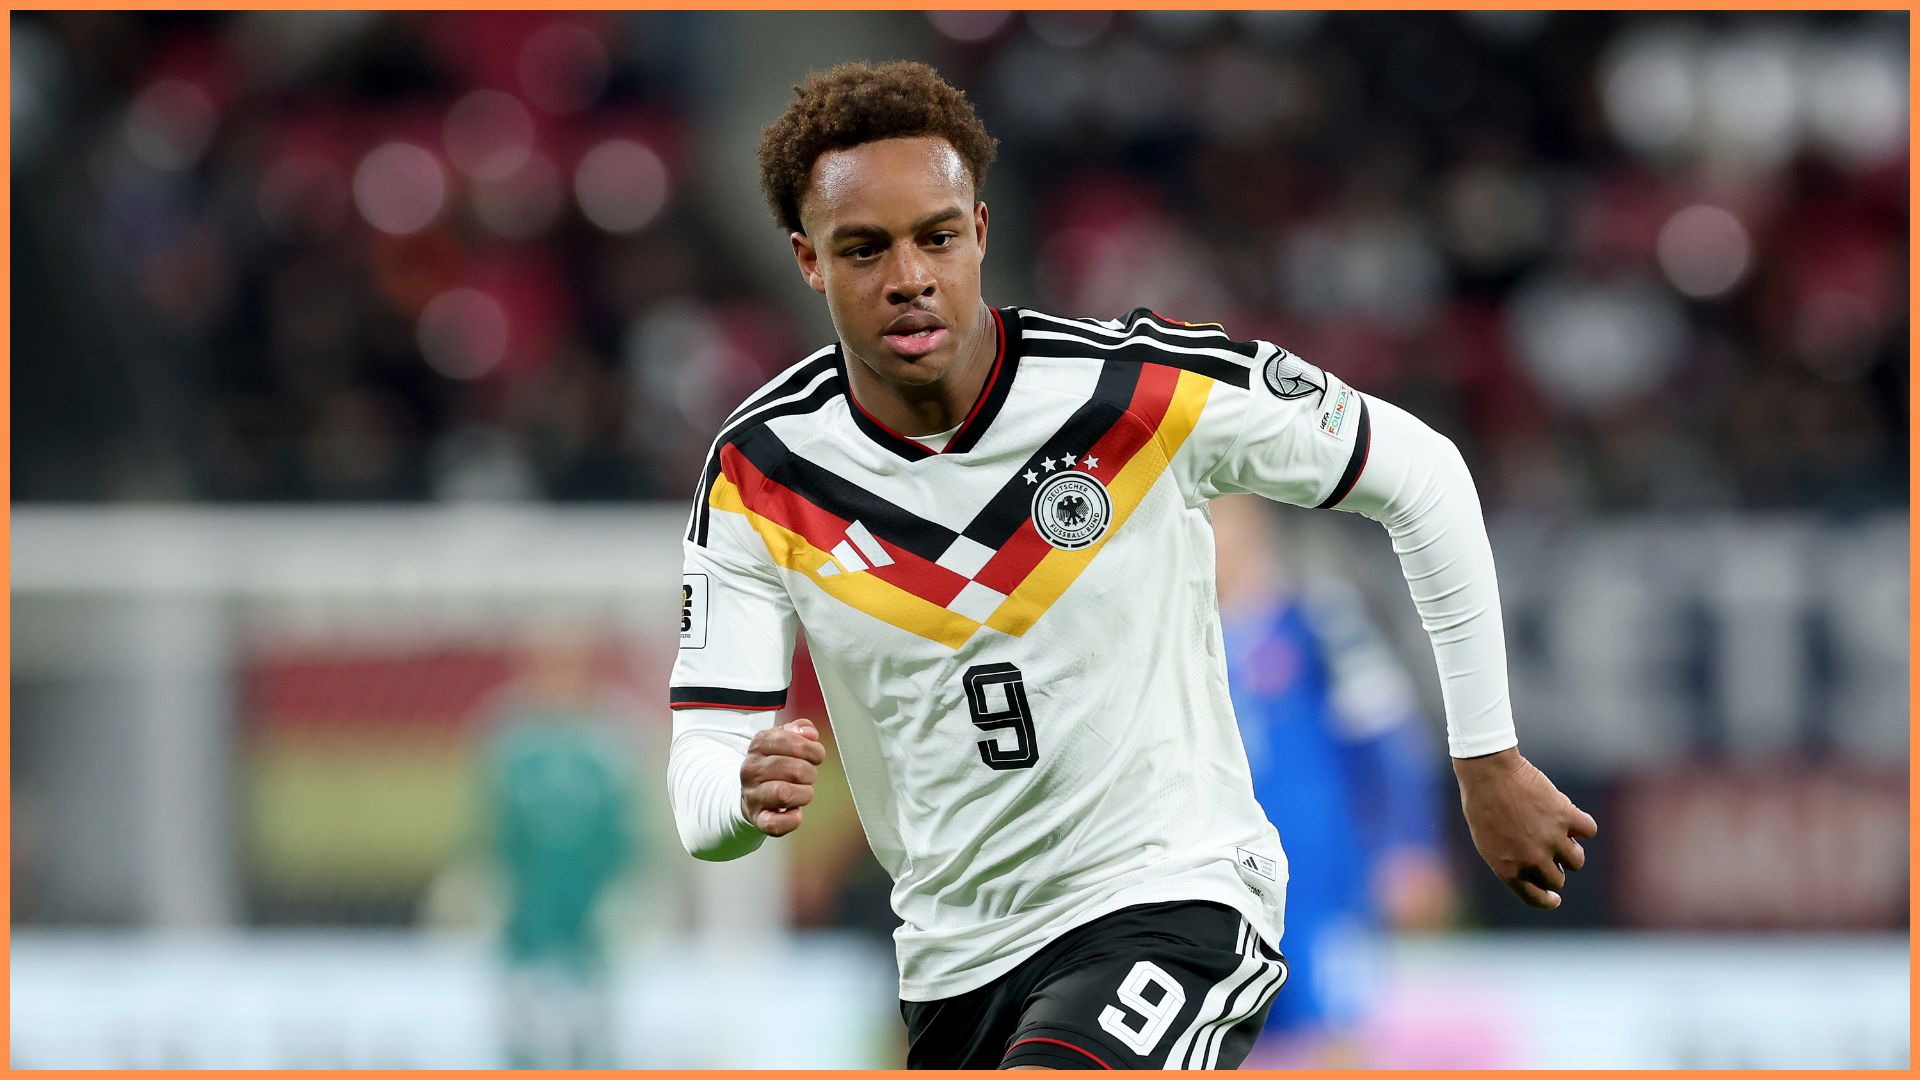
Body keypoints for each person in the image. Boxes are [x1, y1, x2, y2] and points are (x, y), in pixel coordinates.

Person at [666, 60, 1596, 1071]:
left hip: (1171, 902)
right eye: (864, 248)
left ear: (979, 233)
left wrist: (1487, 756)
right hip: (954, 964)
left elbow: (1419, 471)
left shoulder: (1135, 389)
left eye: (936, 237)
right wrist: (741, 797)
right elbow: (702, 775)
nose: (910, 277)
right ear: (807, 260)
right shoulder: (759, 473)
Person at [1210, 494, 1456, 1067]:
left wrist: (1408, 844)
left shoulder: (1319, 622)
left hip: (1317, 880)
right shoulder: (1176, 637)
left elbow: (1388, 735)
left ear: (1253, 524)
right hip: (1217, 880)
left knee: (1332, 1040)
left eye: (1217, 518)